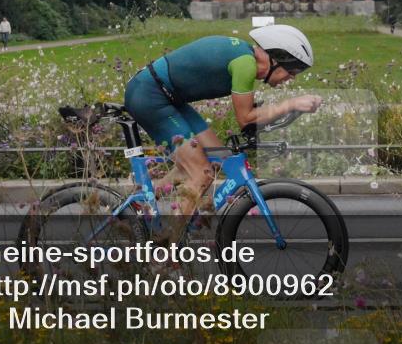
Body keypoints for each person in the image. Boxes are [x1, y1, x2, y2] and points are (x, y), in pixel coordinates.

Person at [123, 24, 321, 222]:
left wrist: (289, 111)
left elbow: (252, 121)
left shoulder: (245, 59)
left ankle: (142, 200)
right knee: (202, 173)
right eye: (293, 71)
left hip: (168, 97)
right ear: (277, 59)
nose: (292, 78)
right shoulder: (245, 64)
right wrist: (290, 104)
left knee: (217, 161)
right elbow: (246, 119)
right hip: (150, 95)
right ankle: (169, 245)